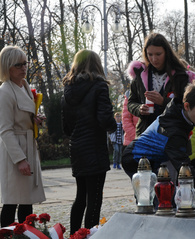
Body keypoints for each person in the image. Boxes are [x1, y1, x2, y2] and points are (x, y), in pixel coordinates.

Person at [122, 83, 195, 195]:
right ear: (187, 106)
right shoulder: (173, 129)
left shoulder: (180, 115)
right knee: (153, 198)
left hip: (155, 159)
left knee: (168, 194)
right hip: (136, 159)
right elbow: (183, 165)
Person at [61, 49, 117, 235]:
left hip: (77, 147)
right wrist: (112, 125)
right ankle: (90, 236)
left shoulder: (67, 90)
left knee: (80, 197)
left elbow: (66, 128)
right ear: (96, 64)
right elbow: (105, 120)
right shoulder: (99, 86)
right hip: (94, 147)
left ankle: (74, 235)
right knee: (94, 199)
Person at [0, 46, 46, 226]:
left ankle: (27, 235)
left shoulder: (25, 87)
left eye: (25, 63)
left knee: (27, 200)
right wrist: (19, 159)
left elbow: (23, 115)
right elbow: (4, 130)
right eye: (18, 65)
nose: (23, 68)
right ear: (7, 67)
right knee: (12, 201)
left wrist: (35, 120)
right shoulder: (4, 92)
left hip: (28, 145)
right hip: (15, 151)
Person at [126, 32, 189, 137]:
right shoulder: (139, 74)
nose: (154, 59)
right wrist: (139, 108)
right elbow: (131, 102)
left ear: (167, 52)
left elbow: (187, 106)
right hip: (145, 134)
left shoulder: (180, 75)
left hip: (172, 136)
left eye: (158, 54)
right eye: (150, 54)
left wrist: (163, 102)